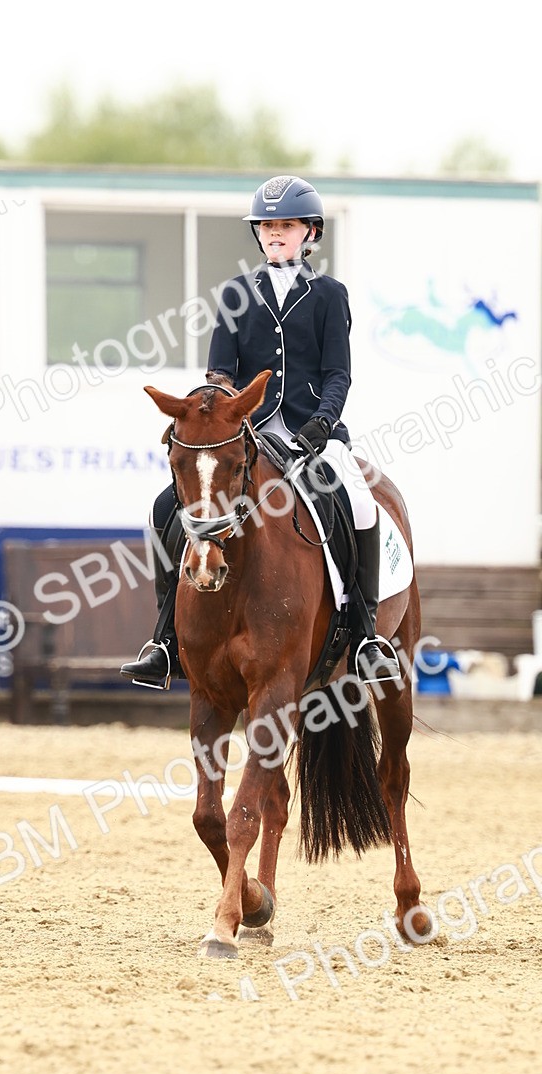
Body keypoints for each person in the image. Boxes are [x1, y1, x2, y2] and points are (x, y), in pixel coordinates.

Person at [120, 175, 399, 689]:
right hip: (245, 437)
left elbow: (339, 373)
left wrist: (324, 422)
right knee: (166, 507)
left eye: (286, 225)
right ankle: (164, 640)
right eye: (268, 226)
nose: (275, 234)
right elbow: (220, 373)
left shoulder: (328, 295)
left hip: (311, 432)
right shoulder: (235, 293)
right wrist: (218, 409)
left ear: (309, 233)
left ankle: (364, 633)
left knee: (358, 501)